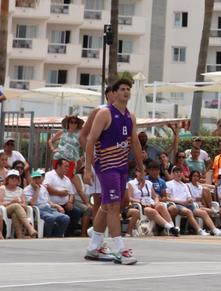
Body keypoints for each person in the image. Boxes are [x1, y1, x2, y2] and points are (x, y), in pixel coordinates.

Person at [83, 78, 145, 265]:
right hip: (106, 166)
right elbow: (90, 140)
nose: (126, 92)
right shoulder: (104, 113)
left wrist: (141, 168)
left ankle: (94, 247)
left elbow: (135, 143)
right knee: (114, 207)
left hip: (121, 167)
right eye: (122, 89)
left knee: (106, 205)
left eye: (128, 89)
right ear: (115, 92)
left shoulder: (130, 116)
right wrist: (87, 169)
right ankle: (119, 249)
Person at [126, 166, 178, 236]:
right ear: (136, 172)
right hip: (140, 206)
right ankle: (170, 227)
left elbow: (155, 196)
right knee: (151, 211)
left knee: (160, 206)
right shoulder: (131, 183)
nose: (142, 173)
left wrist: (156, 202)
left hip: (151, 203)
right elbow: (130, 198)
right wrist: (140, 202)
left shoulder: (149, 183)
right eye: (139, 171)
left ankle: (172, 227)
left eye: (144, 171)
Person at [43, 160, 83, 237]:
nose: (68, 168)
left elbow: (71, 194)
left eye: (68, 166)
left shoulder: (67, 179)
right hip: (52, 204)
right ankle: (55, 233)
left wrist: (70, 202)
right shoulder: (50, 175)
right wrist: (59, 193)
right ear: (58, 166)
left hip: (65, 204)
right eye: (66, 166)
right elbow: (46, 187)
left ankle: (68, 233)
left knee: (77, 212)